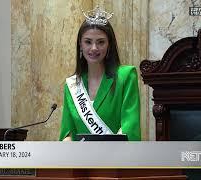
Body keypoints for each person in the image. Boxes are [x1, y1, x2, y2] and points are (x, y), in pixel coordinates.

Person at [59, 6, 141, 141]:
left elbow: (130, 128)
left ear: (109, 44)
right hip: (81, 160)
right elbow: (67, 133)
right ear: (80, 44)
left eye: (101, 42)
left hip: (116, 159)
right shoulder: (72, 85)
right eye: (88, 42)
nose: (94, 48)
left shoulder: (126, 76)